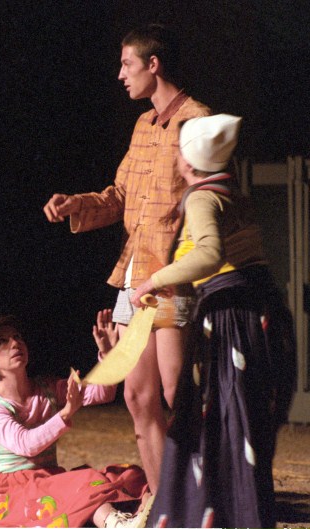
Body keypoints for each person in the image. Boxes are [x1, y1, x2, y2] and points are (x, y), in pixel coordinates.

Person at [42, 23, 210, 495]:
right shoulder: (142, 126)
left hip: (170, 275)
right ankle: (164, 504)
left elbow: (212, 199)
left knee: (177, 391)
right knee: (137, 396)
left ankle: (207, 496)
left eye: (127, 64)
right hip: (133, 277)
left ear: (153, 65)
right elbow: (120, 195)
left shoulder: (196, 120)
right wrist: (76, 204)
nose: (120, 75)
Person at [130, 114, 296, 528]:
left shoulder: (203, 198)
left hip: (231, 317)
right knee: (244, 425)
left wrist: (155, 279)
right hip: (258, 310)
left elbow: (209, 254)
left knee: (221, 422)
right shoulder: (233, 195)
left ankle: (212, 516)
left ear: (188, 161)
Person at [0, 311, 150, 528]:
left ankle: (149, 513)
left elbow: (102, 393)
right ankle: (116, 523)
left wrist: (108, 355)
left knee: (128, 475)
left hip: (49, 478)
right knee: (82, 481)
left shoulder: (47, 388)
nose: (15, 343)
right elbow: (27, 445)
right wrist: (66, 413)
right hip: (14, 491)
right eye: (3, 341)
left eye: (17, 337)